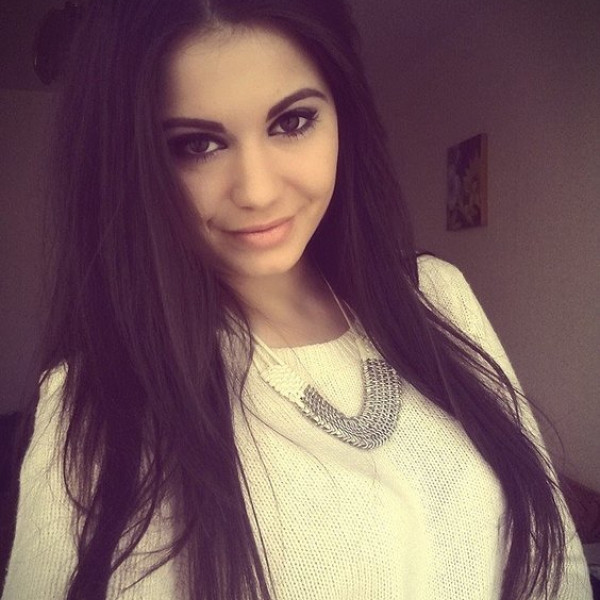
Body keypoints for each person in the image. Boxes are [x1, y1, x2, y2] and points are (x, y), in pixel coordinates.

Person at [2, 0, 593, 599]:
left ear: (342, 116)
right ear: (132, 165)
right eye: (196, 145)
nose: (257, 191)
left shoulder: (437, 297)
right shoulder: (98, 402)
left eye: (292, 122)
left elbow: (558, 561)